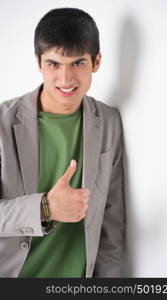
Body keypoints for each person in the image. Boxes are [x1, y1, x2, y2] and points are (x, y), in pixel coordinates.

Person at [0, 7, 125, 278]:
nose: (65, 79)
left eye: (78, 63)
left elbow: (111, 230)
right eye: (53, 64)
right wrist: (45, 209)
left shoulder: (109, 122)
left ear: (97, 62)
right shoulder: (2, 123)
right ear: (38, 62)